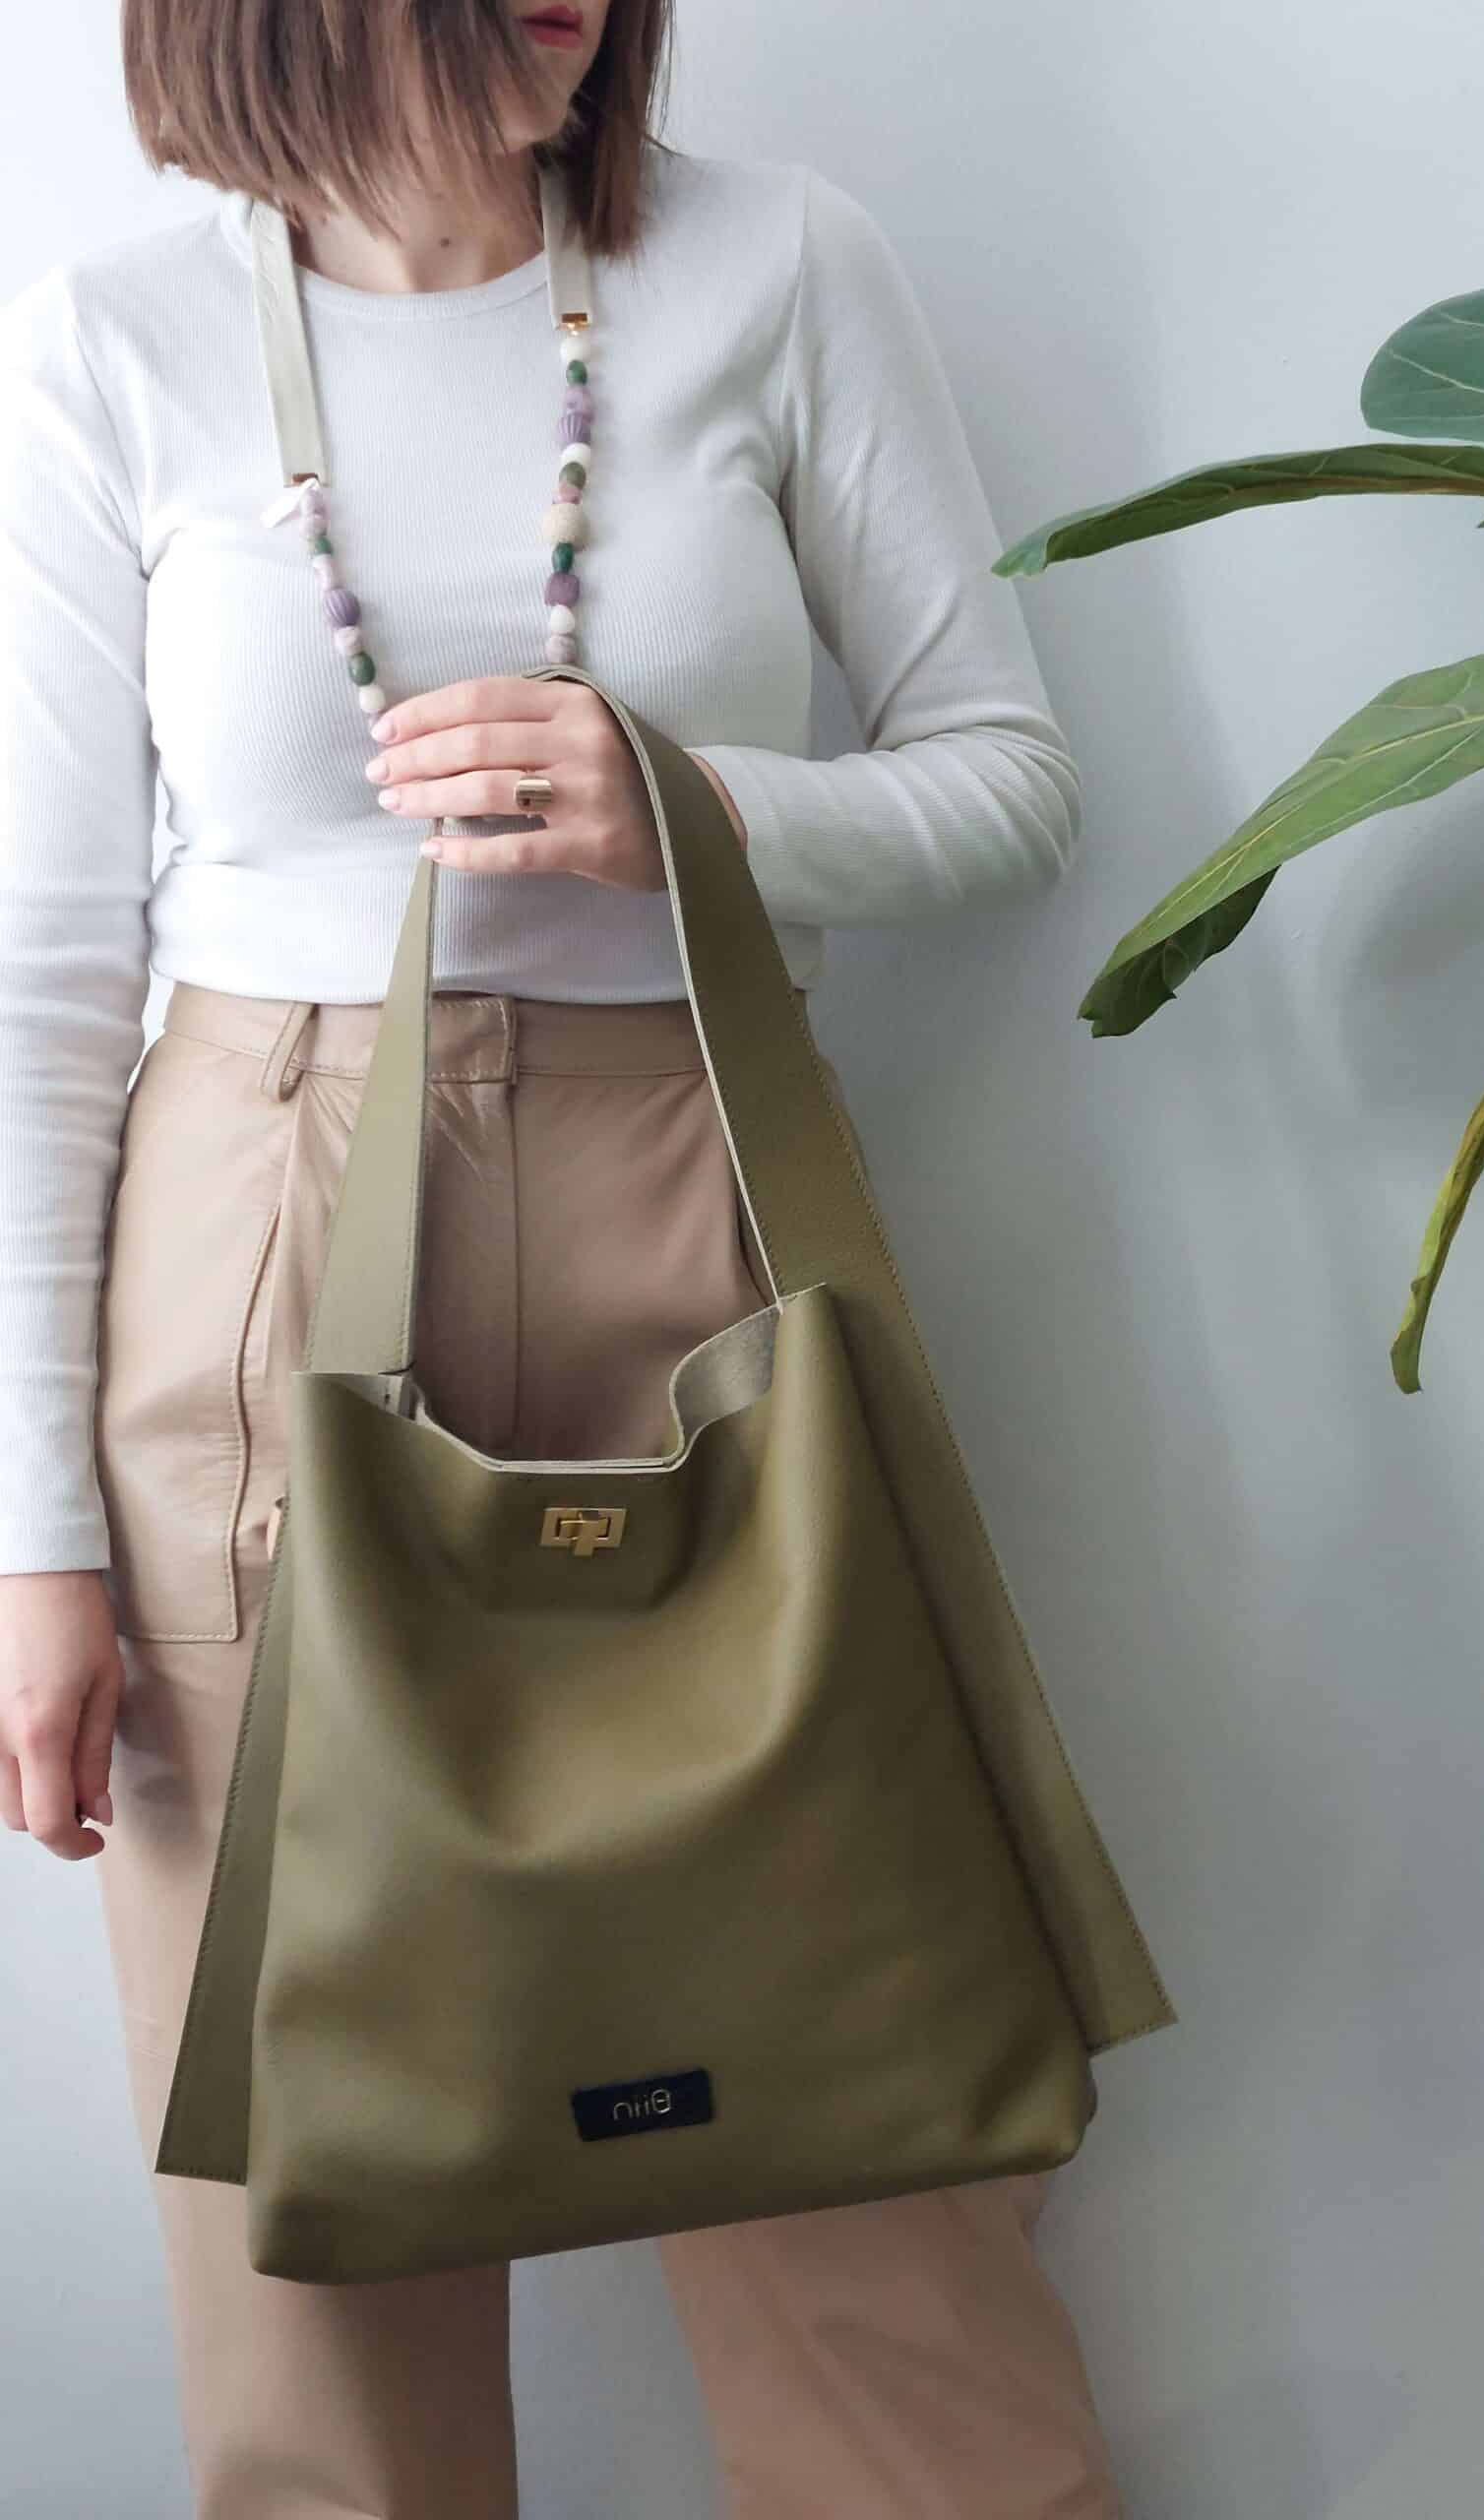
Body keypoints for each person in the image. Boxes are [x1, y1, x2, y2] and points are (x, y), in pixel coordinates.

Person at [0, 3, 1123, 2512]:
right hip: (259, 1240)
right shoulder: (119, 344)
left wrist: (685, 805)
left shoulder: (777, 266)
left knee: (866, 2128)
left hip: (700, 1202)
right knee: (314, 2212)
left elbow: (1009, 777)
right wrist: (34, 1535)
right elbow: (46, 966)